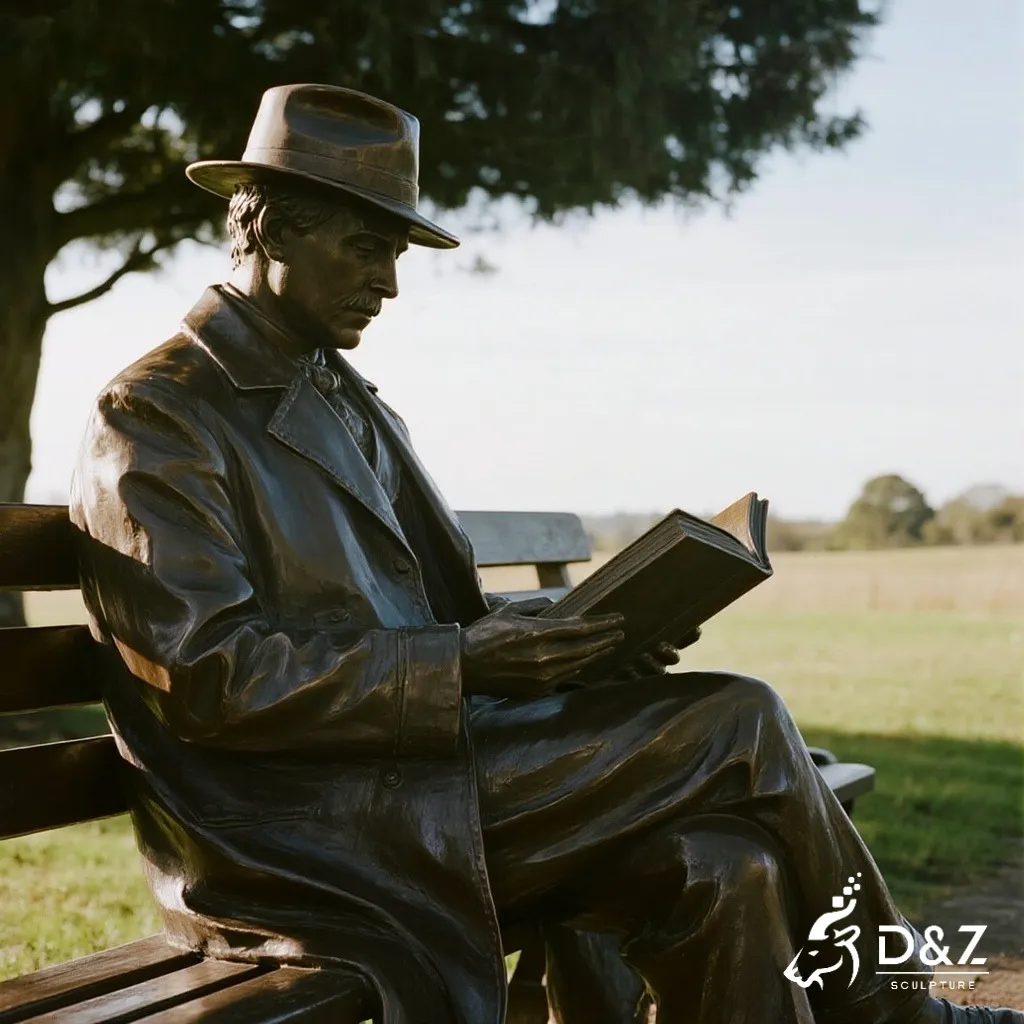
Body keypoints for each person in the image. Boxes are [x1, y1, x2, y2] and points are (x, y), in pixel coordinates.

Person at [69, 83, 1020, 1024]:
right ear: (275, 231)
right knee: (742, 720)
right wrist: (462, 664)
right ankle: (901, 1016)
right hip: (289, 834)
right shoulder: (159, 410)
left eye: (395, 253)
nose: (390, 284)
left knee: (728, 867)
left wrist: (571, 643)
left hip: (413, 782)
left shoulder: (352, 402)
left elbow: (427, 617)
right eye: (366, 247)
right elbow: (209, 678)